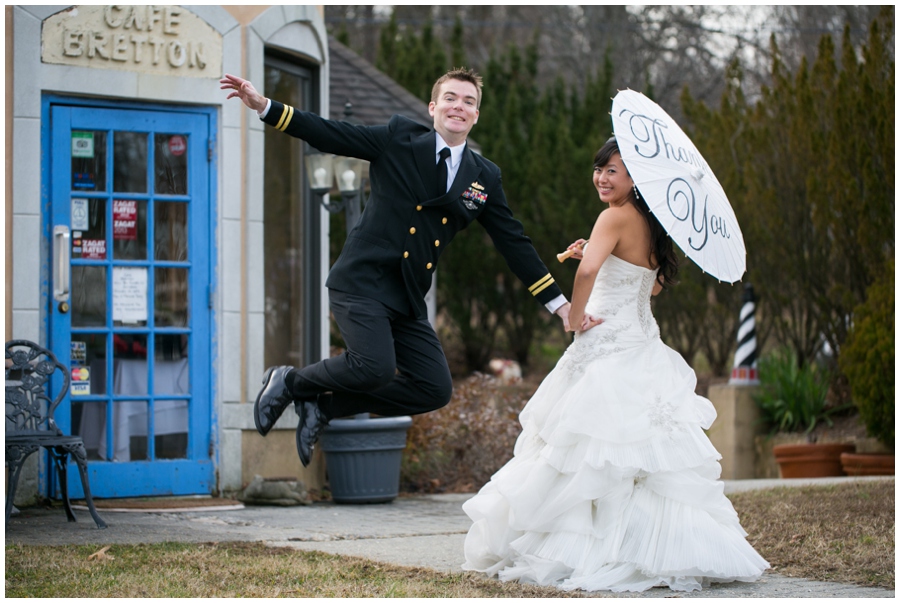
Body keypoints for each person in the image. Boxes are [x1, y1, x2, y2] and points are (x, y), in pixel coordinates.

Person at [461, 137, 769, 593]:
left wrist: (572, 316)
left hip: (604, 341)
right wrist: (598, 254)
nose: (603, 179)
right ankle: (653, 548)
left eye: (614, 172)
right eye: (600, 169)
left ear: (634, 178)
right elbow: (653, 286)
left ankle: (589, 550)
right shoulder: (650, 223)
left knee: (585, 453)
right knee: (644, 458)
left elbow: (586, 277)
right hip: (641, 340)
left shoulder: (613, 216)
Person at [220, 68, 570, 467]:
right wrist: (266, 107)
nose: (460, 106)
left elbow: (514, 242)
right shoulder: (399, 139)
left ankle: (325, 408)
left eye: (469, 102)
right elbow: (331, 132)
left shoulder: (484, 176)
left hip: (406, 295)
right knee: (374, 366)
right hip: (362, 279)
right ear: (433, 108)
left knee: (434, 389)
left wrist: (559, 305)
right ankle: (290, 381)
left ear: (476, 115)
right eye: (451, 98)